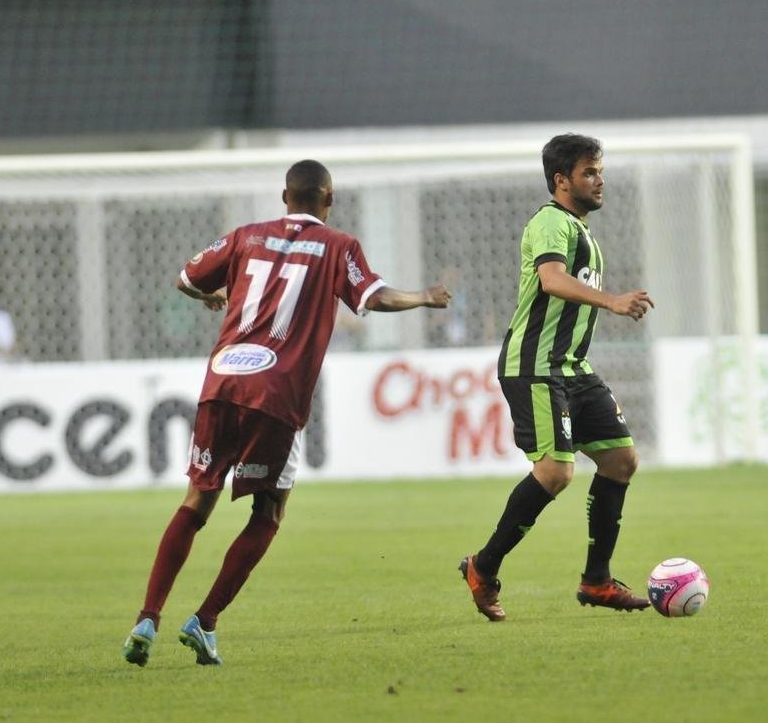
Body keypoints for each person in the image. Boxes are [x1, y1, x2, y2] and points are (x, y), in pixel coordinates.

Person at [122, 160, 451, 667]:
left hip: (221, 381)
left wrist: (213, 296)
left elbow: (185, 279)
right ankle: (204, 621)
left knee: (197, 498)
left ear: (284, 197)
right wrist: (423, 297)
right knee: (269, 512)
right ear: (330, 199)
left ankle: (147, 617)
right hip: (276, 393)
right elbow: (374, 297)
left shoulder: (245, 236)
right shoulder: (339, 246)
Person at [460, 134, 655, 621]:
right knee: (556, 472)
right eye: (589, 172)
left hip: (573, 368)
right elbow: (550, 279)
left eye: (600, 171)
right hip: (536, 366)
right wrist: (611, 300)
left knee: (621, 461)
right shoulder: (550, 221)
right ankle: (483, 567)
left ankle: (597, 580)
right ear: (561, 180)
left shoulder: (582, 231)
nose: (599, 179)